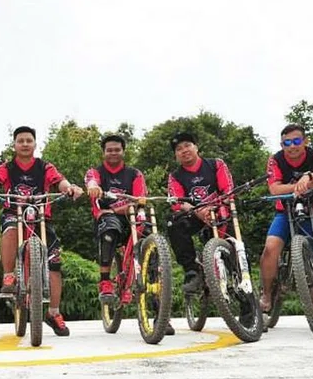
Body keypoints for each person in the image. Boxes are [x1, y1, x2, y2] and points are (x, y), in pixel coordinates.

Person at [0, 126, 83, 338]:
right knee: (10, 229)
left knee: (54, 262)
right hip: (14, 213)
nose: (25, 144)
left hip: (41, 217)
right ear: (14, 145)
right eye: (20, 141)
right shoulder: (7, 167)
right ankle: (9, 276)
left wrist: (70, 188)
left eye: (28, 140)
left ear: (35, 144)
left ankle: (53, 312)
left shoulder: (45, 166)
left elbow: (59, 181)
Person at [259, 123, 313, 314]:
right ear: (282, 145)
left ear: (305, 141)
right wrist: (311, 184)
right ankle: (266, 294)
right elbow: (275, 189)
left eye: (297, 141)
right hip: (285, 211)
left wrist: (310, 176)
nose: (292, 146)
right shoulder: (276, 160)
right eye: (287, 143)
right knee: (270, 248)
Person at [165, 132, 235, 295]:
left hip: (220, 211)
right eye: (179, 149)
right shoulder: (175, 176)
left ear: (196, 147)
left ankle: (244, 290)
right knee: (173, 222)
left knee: (235, 252)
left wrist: (214, 207)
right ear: (176, 155)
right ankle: (192, 271)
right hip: (195, 215)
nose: (184, 150)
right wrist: (198, 211)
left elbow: (228, 190)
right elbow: (177, 202)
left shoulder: (216, 164)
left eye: (187, 145)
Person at [83, 134, 148, 308]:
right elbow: (91, 182)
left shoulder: (135, 174)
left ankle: (156, 285)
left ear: (123, 152)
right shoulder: (95, 172)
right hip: (107, 217)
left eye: (117, 150)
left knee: (151, 236)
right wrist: (93, 187)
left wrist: (119, 208)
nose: (113, 153)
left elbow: (140, 198)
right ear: (103, 152)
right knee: (109, 231)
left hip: (130, 216)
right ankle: (105, 282)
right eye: (109, 150)